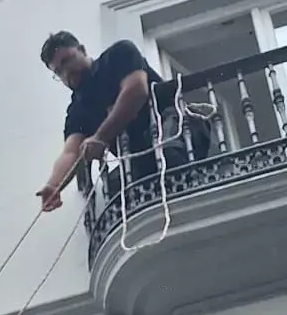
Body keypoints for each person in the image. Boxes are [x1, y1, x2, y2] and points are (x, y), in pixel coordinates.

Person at [36, 31, 210, 214]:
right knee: (115, 191)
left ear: (82, 50)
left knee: (168, 151)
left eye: (66, 61)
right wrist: (54, 185)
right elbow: (71, 152)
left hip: (178, 129)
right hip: (145, 159)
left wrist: (100, 137)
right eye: (58, 72)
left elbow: (136, 90)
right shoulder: (77, 110)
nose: (65, 72)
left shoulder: (117, 55)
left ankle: (194, 207)